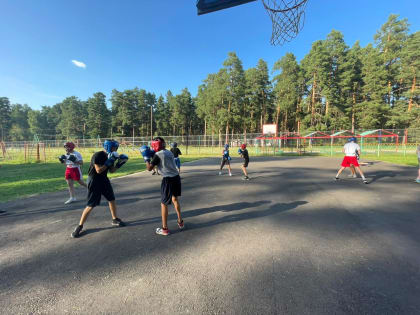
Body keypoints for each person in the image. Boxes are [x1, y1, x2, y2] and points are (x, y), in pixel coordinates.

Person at [71, 140, 129, 238]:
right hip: (94, 180)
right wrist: (109, 161)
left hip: (104, 180)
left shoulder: (111, 156)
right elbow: (98, 170)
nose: (116, 149)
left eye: (116, 147)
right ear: (109, 147)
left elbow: (112, 171)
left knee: (111, 199)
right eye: (114, 147)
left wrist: (119, 164)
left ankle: (114, 219)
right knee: (91, 205)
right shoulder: (98, 155)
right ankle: (79, 226)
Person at [140, 137, 184, 236]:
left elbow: (149, 168)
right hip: (176, 178)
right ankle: (180, 222)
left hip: (168, 180)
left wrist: (146, 158)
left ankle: (164, 229)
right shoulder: (169, 152)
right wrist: (152, 154)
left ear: (155, 145)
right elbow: (158, 157)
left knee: (164, 204)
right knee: (175, 199)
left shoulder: (157, 155)